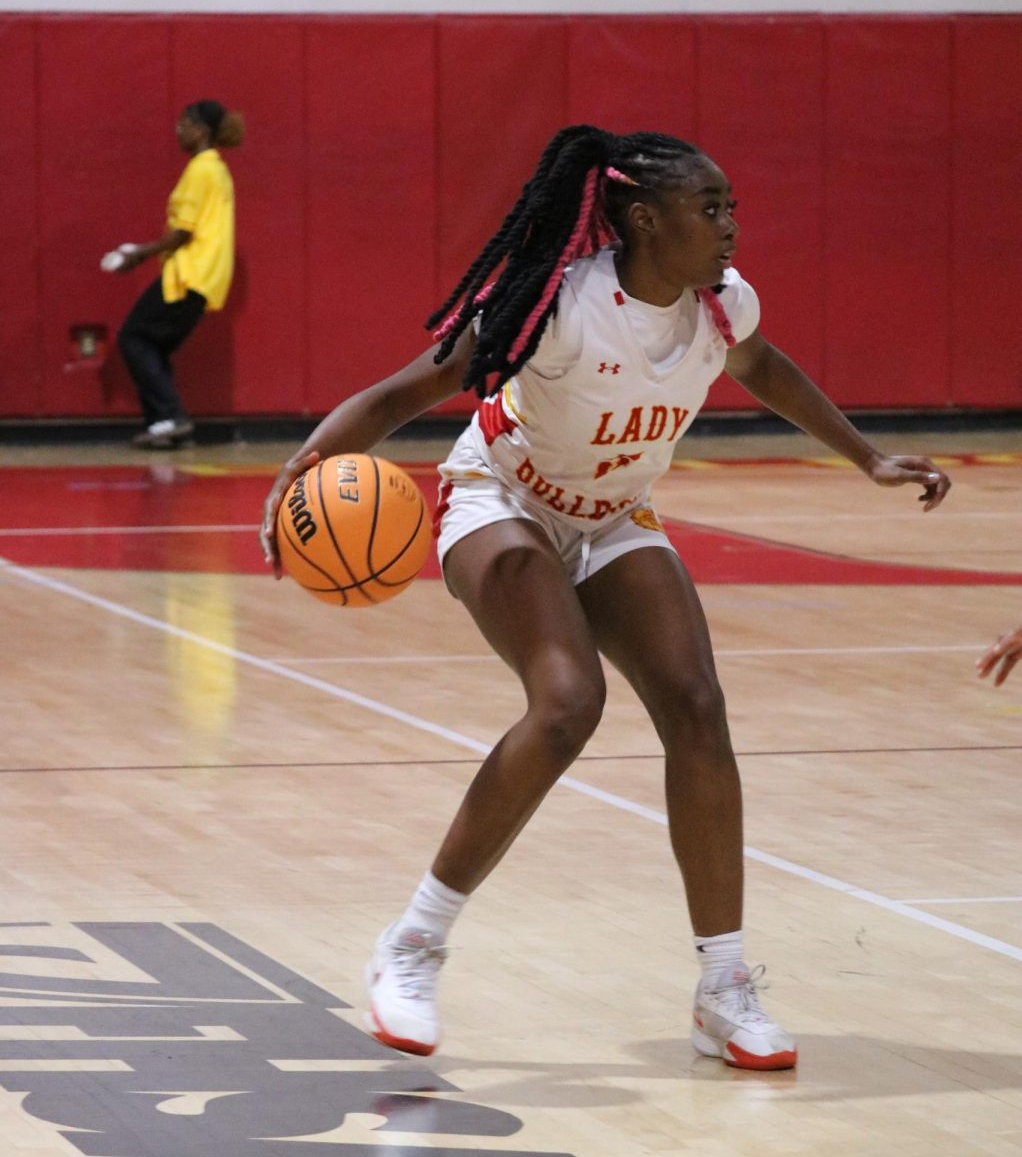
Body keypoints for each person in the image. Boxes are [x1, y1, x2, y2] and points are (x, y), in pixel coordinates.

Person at [260, 125, 951, 1071]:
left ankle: (724, 985)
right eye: (709, 208)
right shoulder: (555, 304)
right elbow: (400, 395)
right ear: (640, 217)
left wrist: (867, 455)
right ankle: (413, 944)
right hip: (500, 498)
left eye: (732, 207)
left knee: (698, 708)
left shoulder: (722, 305)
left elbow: (763, 367)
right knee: (567, 702)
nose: (728, 224)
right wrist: (301, 475)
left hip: (616, 512)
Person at [105, 99, 244, 450]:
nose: (178, 129)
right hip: (205, 278)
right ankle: (163, 423)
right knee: (152, 344)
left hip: (189, 274)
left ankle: (169, 417)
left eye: (184, 123)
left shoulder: (201, 169)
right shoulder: (218, 169)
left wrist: (138, 253)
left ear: (202, 130)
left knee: (134, 337)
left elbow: (184, 231)